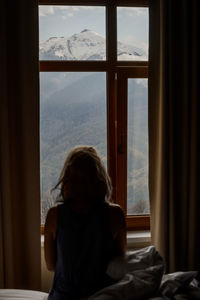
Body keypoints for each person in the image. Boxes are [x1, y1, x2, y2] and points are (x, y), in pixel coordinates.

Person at [44, 146, 126, 300]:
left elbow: (51, 265)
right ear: (99, 177)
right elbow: (119, 262)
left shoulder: (54, 215)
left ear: (68, 177)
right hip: (103, 295)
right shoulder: (115, 214)